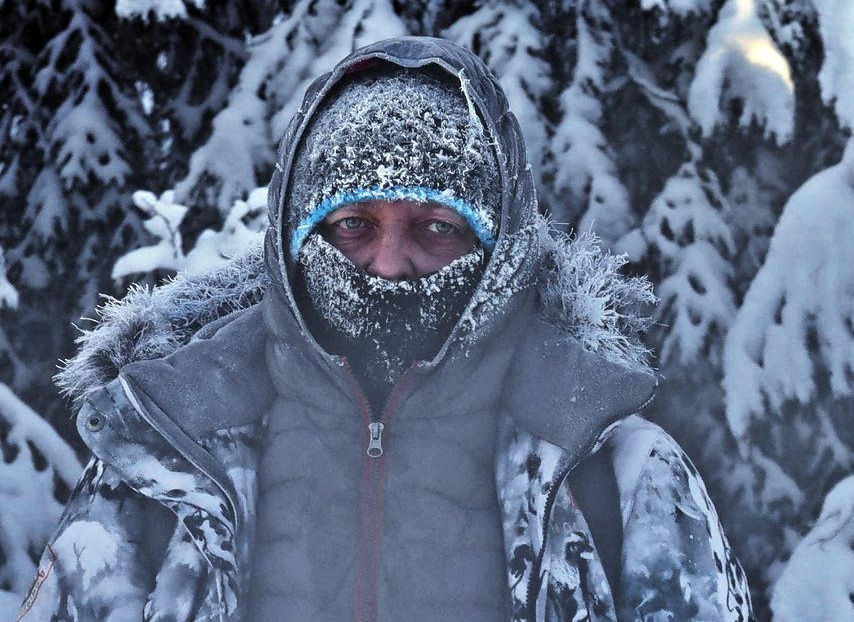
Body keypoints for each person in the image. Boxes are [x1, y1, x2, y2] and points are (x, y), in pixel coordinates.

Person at [17, 37, 752, 622]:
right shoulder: (166, 456)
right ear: (294, 237)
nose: (391, 263)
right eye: (352, 225)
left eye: (437, 227)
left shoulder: (614, 475)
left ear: (500, 254)